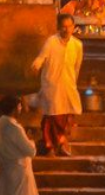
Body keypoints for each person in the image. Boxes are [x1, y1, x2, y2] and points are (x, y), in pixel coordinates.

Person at [30, 13, 83, 156]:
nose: (66, 30)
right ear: (58, 27)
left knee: (65, 117)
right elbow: (41, 57)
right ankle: (50, 146)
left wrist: (73, 82)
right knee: (51, 117)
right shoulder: (51, 42)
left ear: (73, 27)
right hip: (51, 85)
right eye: (63, 27)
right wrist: (36, 66)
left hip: (68, 85)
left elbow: (77, 67)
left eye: (69, 26)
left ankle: (61, 144)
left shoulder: (77, 45)